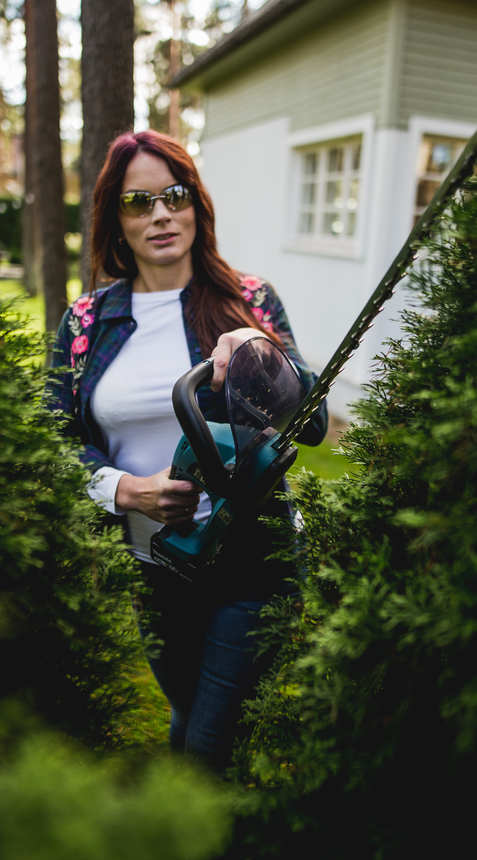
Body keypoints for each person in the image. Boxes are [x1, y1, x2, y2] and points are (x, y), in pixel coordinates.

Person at [47, 130, 327, 771]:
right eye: (137, 201)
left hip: (252, 560)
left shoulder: (249, 299)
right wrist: (126, 489)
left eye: (174, 196)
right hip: (151, 563)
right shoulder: (86, 322)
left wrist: (258, 348)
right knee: (184, 714)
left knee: (207, 747)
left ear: (196, 205)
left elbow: (309, 422)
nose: (161, 215)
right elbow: (51, 441)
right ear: (115, 220)